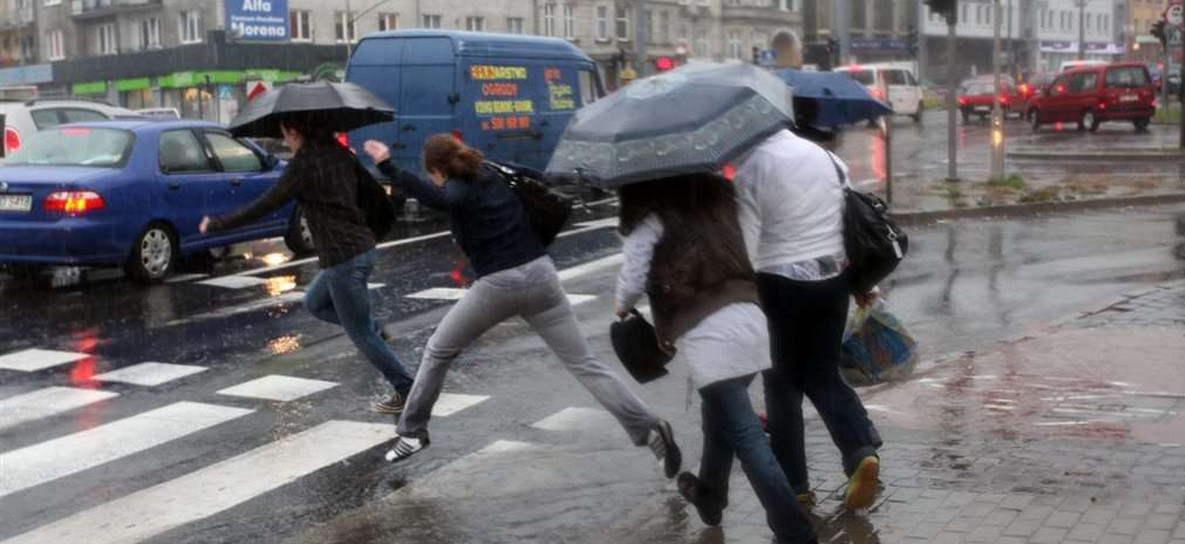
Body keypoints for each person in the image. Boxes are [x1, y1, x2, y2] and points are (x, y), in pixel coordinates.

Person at [363, 135, 681, 476]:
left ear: (438, 170)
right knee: (586, 364)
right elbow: (543, 178)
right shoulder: (496, 169)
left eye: (433, 176)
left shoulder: (459, 187)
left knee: (438, 350)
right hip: (542, 276)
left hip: (500, 284)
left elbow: (440, 199)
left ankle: (412, 431)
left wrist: (388, 166)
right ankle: (648, 427)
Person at [615, 173, 817, 544]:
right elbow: (752, 248)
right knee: (719, 419)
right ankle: (710, 496)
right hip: (752, 321)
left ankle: (794, 531)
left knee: (747, 437)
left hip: (710, 339)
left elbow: (632, 276)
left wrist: (622, 307)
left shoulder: (651, 215)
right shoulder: (720, 200)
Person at [200, 112, 414, 415]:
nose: (284, 141)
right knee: (314, 302)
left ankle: (407, 388)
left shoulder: (303, 164)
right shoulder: (338, 153)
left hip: (344, 256)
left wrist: (219, 224)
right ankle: (374, 328)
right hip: (360, 248)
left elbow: (267, 204)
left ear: (292, 131)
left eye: (284, 134)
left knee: (360, 334)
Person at [734, 126, 884, 511]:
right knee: (822, 371)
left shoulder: (753, 167)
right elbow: (846, 219)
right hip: (832, 279)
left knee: (781, 382)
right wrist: (859, 282)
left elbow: (747, 243)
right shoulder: (828, 160)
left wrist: (740, 294)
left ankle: (796, 485)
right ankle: (859, 451)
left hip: (778, 284)